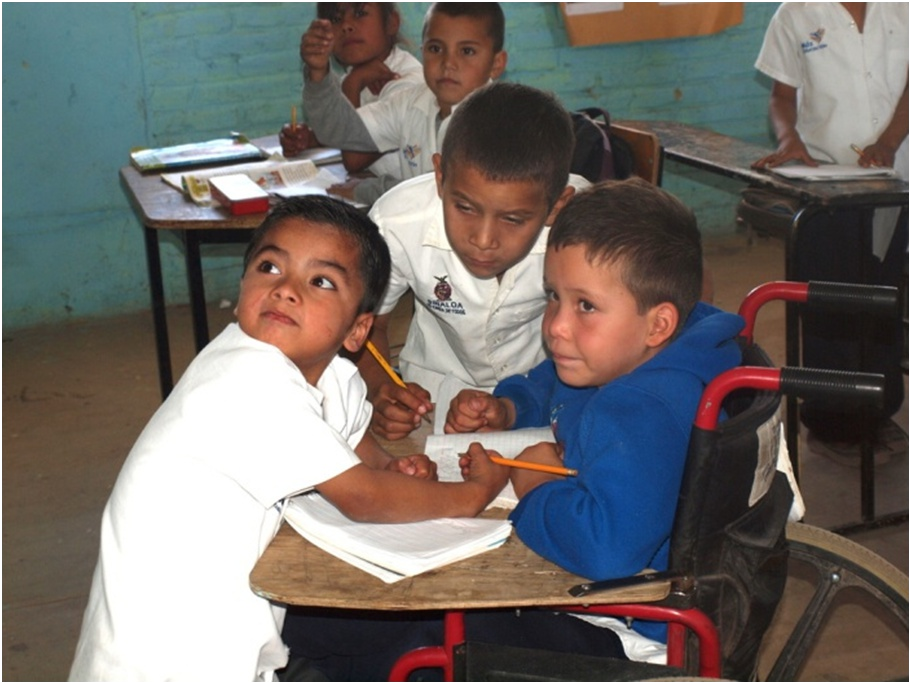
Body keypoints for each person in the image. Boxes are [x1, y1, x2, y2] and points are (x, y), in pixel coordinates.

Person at [67, 197, 508, 682]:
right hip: (160, 660)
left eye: (321, 281)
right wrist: (471, 495)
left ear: (358, 330)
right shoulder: (244, 375)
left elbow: (366, 459)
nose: (285, 290)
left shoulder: (330, 375)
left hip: (221, 649)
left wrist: (398, 470)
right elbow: (363, 497)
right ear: (241, 290)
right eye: (270, 266)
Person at [445, 178, 745, 654]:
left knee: (429, 635)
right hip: (646, 597)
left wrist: (535, 485)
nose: (557, 327)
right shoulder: (662, 344)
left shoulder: (642, 410)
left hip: (635, 626)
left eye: (586, 305)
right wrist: (510, 406)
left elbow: (604, 549)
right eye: (553, 296)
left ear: (658, 324)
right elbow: (561, 379)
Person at [357, 81, 586, 440]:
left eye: (512, 219)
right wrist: (380, 388)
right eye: (464, 207)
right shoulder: (396, 224)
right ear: (440, 177)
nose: (482, 240)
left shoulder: (587, 228)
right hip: (430, 398)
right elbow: (369, 328)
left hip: (548, 391)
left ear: (557, 206)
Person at [751, 2, 909, 456]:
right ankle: (829, 417)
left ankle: (878, 409)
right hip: (824, 183)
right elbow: (782, 95)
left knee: (880, 292)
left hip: (893, 179)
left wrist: (889, 142)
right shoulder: (795, 12)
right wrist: (789, 139)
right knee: (827, 297)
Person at [301, 2, 508, 205]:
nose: (448, 63)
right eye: (435, 48)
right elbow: (342, 131)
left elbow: (440, 198)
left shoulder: (499, 123)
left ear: (496, 63)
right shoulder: (410, 102)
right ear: (422, 51)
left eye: (467, 51)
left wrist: (368, 190)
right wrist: (318, 74)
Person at [280, 2, 424, 184]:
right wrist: (310, 138)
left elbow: (354, 157)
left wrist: (352, 84)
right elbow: (349, 130)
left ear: (390, 23)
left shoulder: (408, 83)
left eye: (360, 13)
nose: (346, 26)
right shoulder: (358, 72)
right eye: (336, 18)